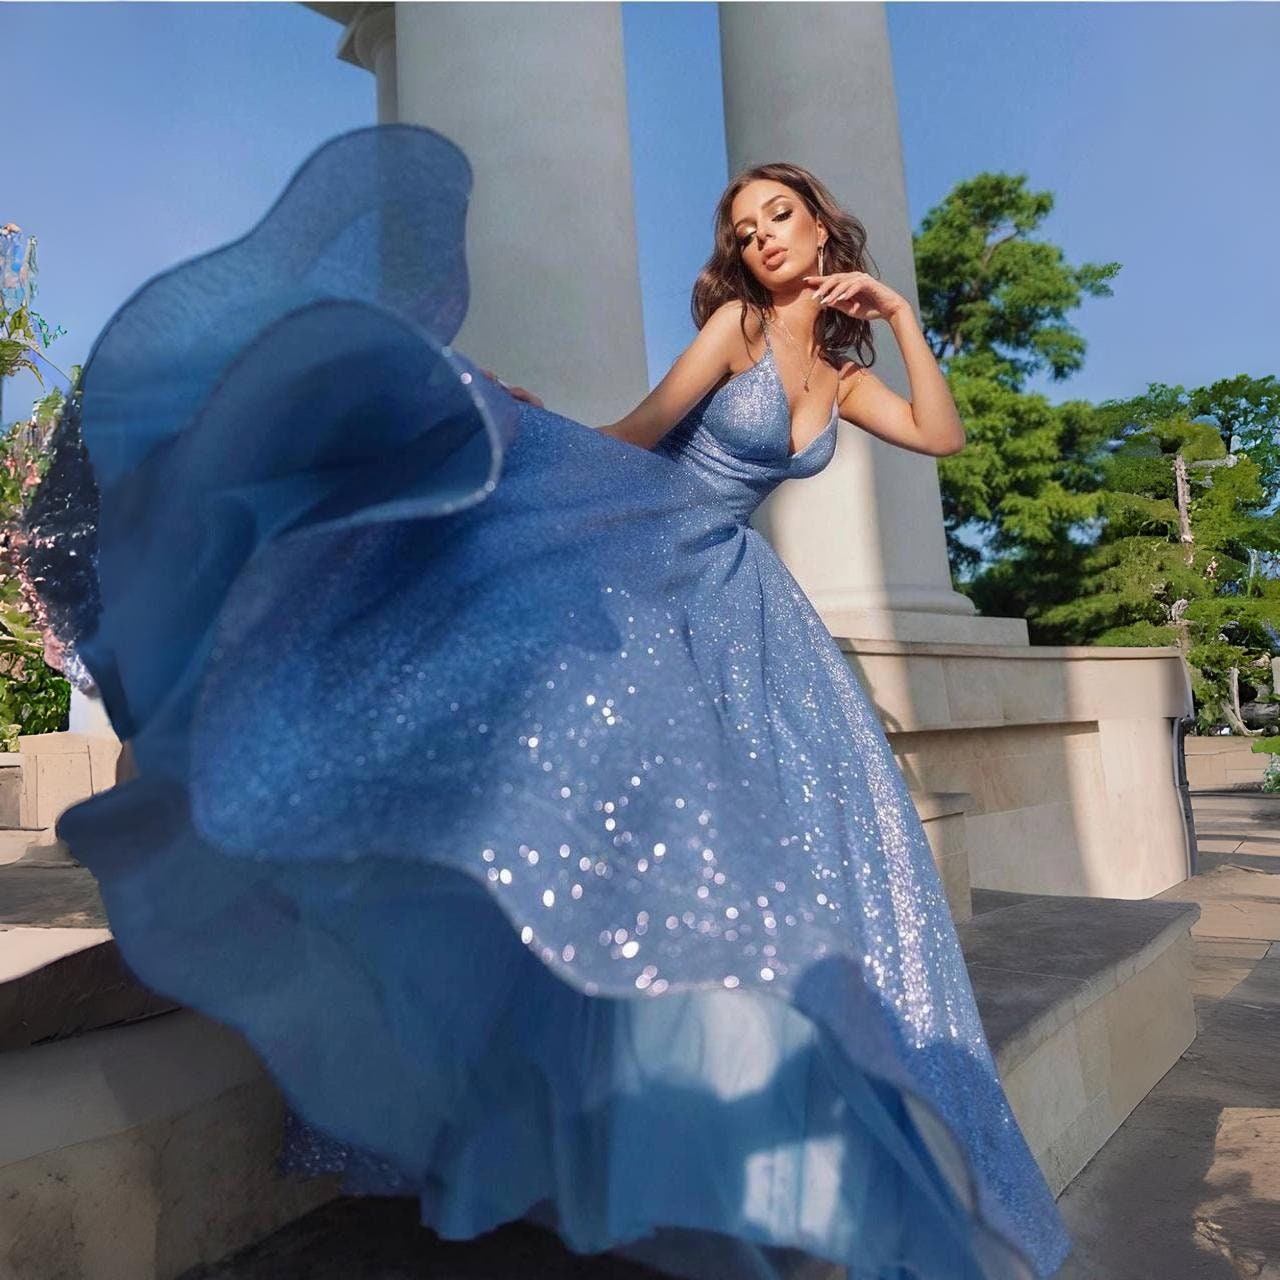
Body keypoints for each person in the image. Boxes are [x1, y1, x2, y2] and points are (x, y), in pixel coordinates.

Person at [49, 124, 1071, 1280]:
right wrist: (499, 436)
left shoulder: (843, 374)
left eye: (776, 216)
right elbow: (638, 436)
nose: (760, 237)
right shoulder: (730, 329)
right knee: (580, 809)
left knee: (763, 853)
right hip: (639, 558)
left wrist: (895, 315)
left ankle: (747, 1136)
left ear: (820, 223)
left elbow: (941, 432)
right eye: (743, 229)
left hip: (743, 608)